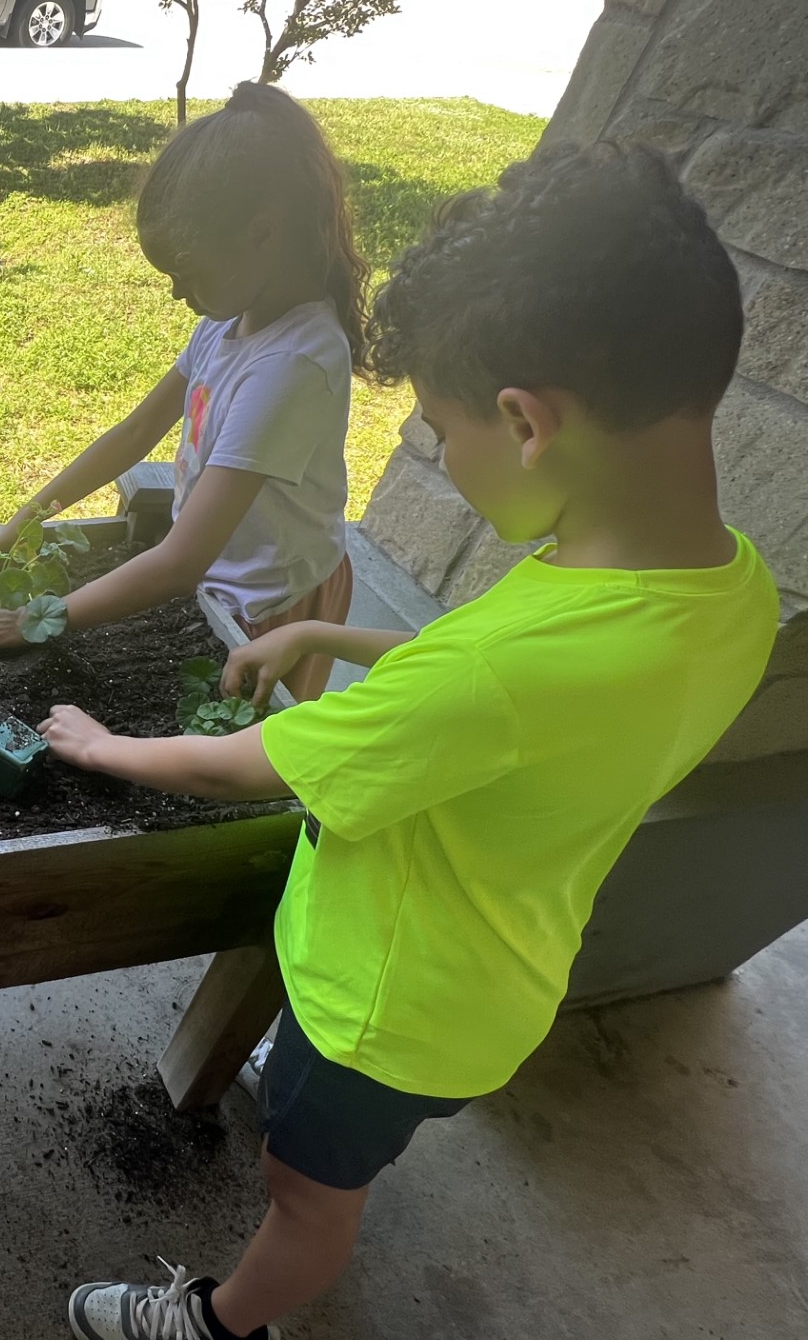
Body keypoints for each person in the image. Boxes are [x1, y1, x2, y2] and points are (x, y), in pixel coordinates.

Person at [40, 143, 778, 1340]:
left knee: (307, 1196)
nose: (441, 456)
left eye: (438, 431)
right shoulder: (730, 588)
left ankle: (221, 1324)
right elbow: (502, 694)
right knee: (336, 1156)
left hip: (376, 1009)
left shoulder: (494, 675)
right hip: (494, 975)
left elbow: (257, 763)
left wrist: (101, 744)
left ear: (527, 422)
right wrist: (340, 632)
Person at [0, 83, 360, 702]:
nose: (178, 294)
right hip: (218, 580)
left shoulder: (294, 366)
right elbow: (135, 432)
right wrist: (22, 522)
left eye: (188, 274)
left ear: (263, 234)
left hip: (269, 603)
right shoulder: (228, 323)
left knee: (238, 753)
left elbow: (180, 563)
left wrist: (37, 619)